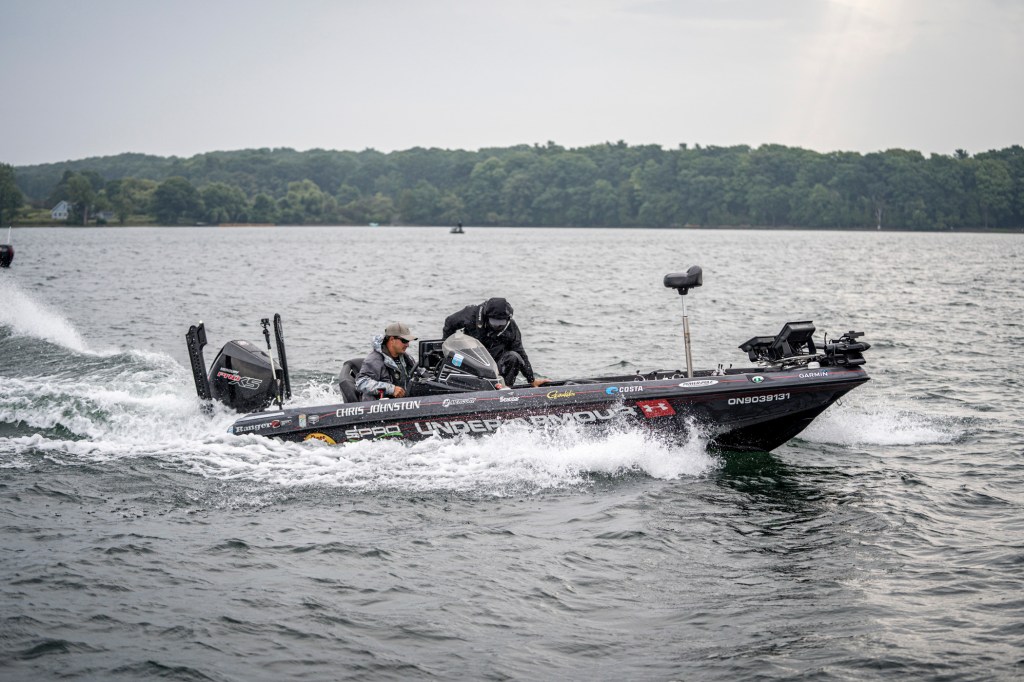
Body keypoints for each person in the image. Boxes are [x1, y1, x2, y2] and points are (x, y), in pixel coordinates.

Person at [442, 297, 548, 387]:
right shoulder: (471, 315)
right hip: (471, 360)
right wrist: (447, 348)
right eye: (494, 322)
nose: (497, 326)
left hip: (495, 363)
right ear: (486, 317)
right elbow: (449, 322)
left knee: (514, 356)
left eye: (501, 323)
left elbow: (520, 353)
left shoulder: (511, 327)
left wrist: (531, 380)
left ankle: (505, 388)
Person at [355, 322, 418, 400]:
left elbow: (418, 373)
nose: (407, 345)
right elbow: (361, 383)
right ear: (392, 339)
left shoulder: (407, 358)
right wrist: (391, 389)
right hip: (380, 405)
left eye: (408, 341)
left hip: (403, 401)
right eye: (404, 341)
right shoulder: (374, 360)